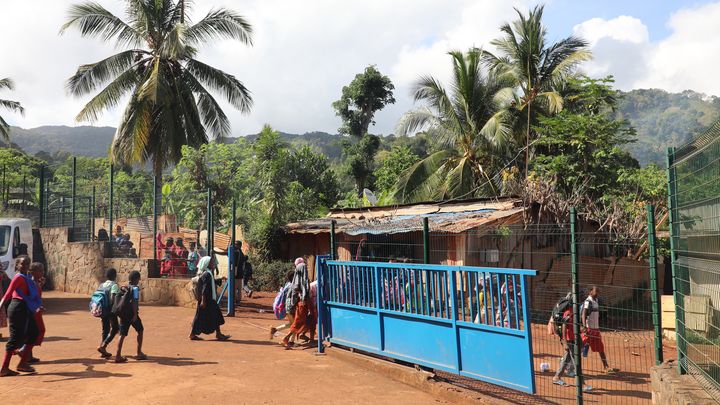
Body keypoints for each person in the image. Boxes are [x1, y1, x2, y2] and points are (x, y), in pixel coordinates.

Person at [0, 256, 41, 376]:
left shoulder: (28, 277)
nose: (26, 266)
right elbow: (7, 294)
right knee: (15, 338)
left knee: (34, 333)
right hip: (17, 308)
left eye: (28, 264)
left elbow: (32, 295)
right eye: (23, 264)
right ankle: (4, 368)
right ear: (17, 265)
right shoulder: (18, 278)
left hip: (26, 309)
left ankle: (22, 363)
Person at [189, 256, 230, 341]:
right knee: (201, 317)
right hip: (207, 300)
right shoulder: (207, 274)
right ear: (207, 264)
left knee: (215, 316)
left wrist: (219, 280)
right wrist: (204, 301)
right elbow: (205, 288)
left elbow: (210, 282)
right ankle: (193, 334)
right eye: (211, 262)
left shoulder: (206, 273)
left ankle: (218, 334)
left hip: (208, 300)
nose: (213, 263)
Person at [581, 286, 618, 374]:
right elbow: (583, 314)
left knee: (600, 348)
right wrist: (584, 326)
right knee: (579, 346)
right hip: (589, 329)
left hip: (596, 329)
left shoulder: (596, 301)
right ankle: (568, 363)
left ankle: (606, 367)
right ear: (590, 291)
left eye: (598, 291)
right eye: (596, 291)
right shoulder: (588, 301)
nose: (598, 293)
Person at [114, 270, 146, 363]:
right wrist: (135, 314)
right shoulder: (135, 289)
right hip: (132, 314)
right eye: (138, 279)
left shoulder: (124, 287)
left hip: (123, 314)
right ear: (136, 279)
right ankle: (139, 352)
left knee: (122, 334)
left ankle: (118, 355)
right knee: (140, 330)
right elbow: (135, 302)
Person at [282, 259, 310, 349]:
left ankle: (289, 339)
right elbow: (296, 295)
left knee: (297, 322)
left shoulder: (295, 283)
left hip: (295, 306)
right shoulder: (297, 284)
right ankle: (288, 339)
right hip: (297, 305)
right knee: (298, 322)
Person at [24, 263, 46, 364]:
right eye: (40, 270)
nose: (42, 272)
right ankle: (26, 354)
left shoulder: (36, 282)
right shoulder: (30, 282)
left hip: (37, 310)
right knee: (34, 332)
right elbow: (31, 297)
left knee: (37, 331)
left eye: (42, 270)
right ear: (32, 272)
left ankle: (28, 354)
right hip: (32, 310)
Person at [97, 268, 120, 358]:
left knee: (105, 329)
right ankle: (104, 345)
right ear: (115, 276)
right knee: (115, 328)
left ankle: (103, 351)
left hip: (102, 309)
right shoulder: (114, 285)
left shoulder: (101, 285)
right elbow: (113, 299)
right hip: (110, 310)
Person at [553, 305, 576, 386]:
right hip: (569, 339)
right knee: (575, 359)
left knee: (567, 358)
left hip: (573, 338)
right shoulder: (569, 313)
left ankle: (557, 377)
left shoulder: (574, 311)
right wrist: (565, 341)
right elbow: (564, 326)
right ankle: (582, 384)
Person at [269, 270, 296, 340]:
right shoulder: (292, 286)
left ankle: (275, 329)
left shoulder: (287, 284)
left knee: (292, 323)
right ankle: (290, 341)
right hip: (290, 307)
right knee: (295, 325)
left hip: (286, 307)